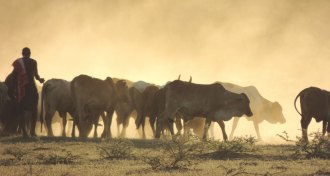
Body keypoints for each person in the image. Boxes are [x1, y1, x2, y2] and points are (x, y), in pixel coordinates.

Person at [11, 47, 44, 137]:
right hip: (32, 88)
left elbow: (14, 76)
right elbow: (36, 76)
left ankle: (24, 132)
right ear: (29, 53)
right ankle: (32, 131)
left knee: (21, 111)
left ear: (22, 53)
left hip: (21, 89)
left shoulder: (18, 63)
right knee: (34, 110)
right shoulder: (33, 62)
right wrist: (41, 80)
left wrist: (14, 89)